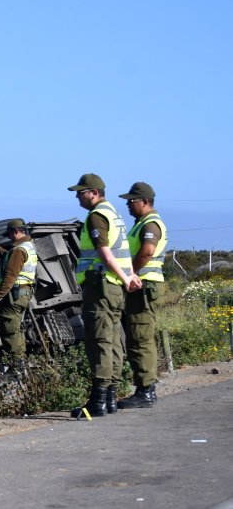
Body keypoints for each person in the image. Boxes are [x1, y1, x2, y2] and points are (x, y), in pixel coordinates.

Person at [68, 173, 141, 418]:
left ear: (94, 192)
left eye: (81, 192)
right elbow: (124, 252)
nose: (78, 197)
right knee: (112, 340)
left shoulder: (97, 216)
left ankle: (97, 401)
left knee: (99, 340)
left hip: (101, 286)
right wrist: (128, 277)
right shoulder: (115, 215)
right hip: (114, 288)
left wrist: (124, 277)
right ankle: (110, 397)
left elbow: (106, 254)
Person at [117, 182, 167, 409]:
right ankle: (144, 388)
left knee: (141, 338)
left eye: (131, 201)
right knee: (137, 336)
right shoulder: (141, 224)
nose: (128, 205)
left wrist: (130, 274)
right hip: (142, 286)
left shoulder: (151, 224)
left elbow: (147, 251)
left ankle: (146, 391)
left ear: (145, 201)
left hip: (145, 286)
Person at [0, 219, 38, 365]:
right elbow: (11, 257)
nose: (8, 237)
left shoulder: (19, 250)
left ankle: (17, 367)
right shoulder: (28, 247)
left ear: (16, 231)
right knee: (16, 329)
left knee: (9, 329)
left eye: (9, 234)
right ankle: (21, 362)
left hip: (15, 295)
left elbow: (10, 277)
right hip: (24, 294)